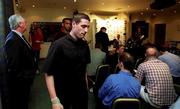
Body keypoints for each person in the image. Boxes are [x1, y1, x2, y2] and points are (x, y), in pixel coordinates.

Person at [43, 13, 91, 109]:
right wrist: (54, 100)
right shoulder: (58, 45)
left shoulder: (85, 45)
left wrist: (85, 89)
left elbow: (84, 69)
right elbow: (48, 73)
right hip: (64, 93)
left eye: (88, 27)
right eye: (83, 26)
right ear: (73, 24)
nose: (86, 30)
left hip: (81, 93)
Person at [4, 14, 38, 109]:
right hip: (20, 83)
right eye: (25, 22)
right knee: (20, 104)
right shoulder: (13, 40)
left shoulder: (18, 36)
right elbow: (13, 66)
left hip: (24, 80)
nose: (26, 24)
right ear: (20, 24)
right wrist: (26, 78)